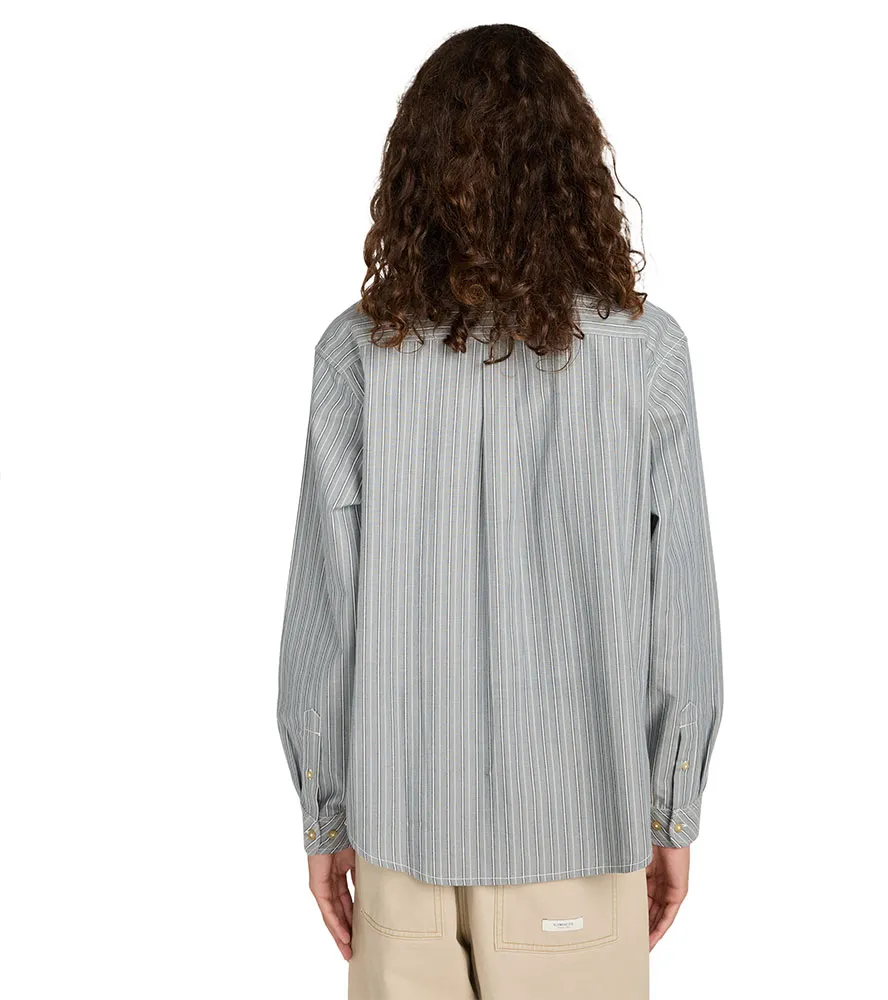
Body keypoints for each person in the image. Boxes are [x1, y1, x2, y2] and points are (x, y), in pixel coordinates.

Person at [277, 22, 723, 1000]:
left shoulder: (357, 355)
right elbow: (680, 620)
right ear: (574, 172)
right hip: (581, 834)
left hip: (401, 838)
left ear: (416, 175)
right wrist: (670, 812)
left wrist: (324, 817)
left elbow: (321, 620)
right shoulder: (645, 354)